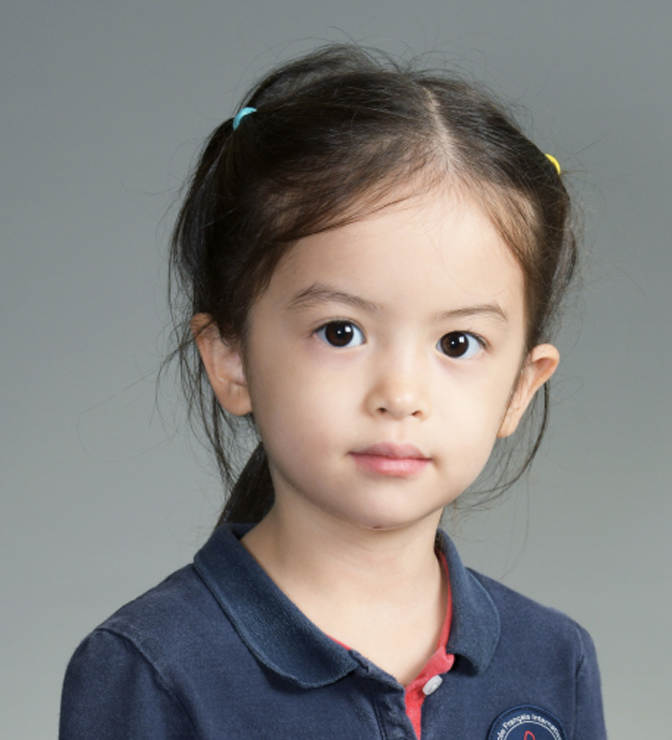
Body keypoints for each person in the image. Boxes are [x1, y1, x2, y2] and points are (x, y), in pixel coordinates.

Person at [60, 44, 607, 739]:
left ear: (520, 388)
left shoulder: (554, 659)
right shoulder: (152, 665)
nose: (400, 394)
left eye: (457, 343)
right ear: (231, 358)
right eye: (341, 333)